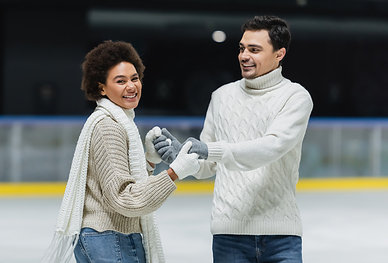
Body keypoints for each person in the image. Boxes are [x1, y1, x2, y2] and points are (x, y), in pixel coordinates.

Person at [152, 15, 313, 263]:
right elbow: (207, 166)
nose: (244, 56)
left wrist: (209, 150)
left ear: (279, 54)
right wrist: (182, 156)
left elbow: (271, 147)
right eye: (242, 48)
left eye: (254, 49)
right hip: (229, 236)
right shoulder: (221, 97)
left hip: (281, 236)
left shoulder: (295, 97)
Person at [42, 40, 200, 263]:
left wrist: (149, 162)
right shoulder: (109, 127)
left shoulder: (116, 121)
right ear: (102, 88)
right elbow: (123, 199)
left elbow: (114, 181)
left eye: (135, 78)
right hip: (110, 239)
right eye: (120, 81)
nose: (131, 86)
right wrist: (175, 172)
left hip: (104, 238)